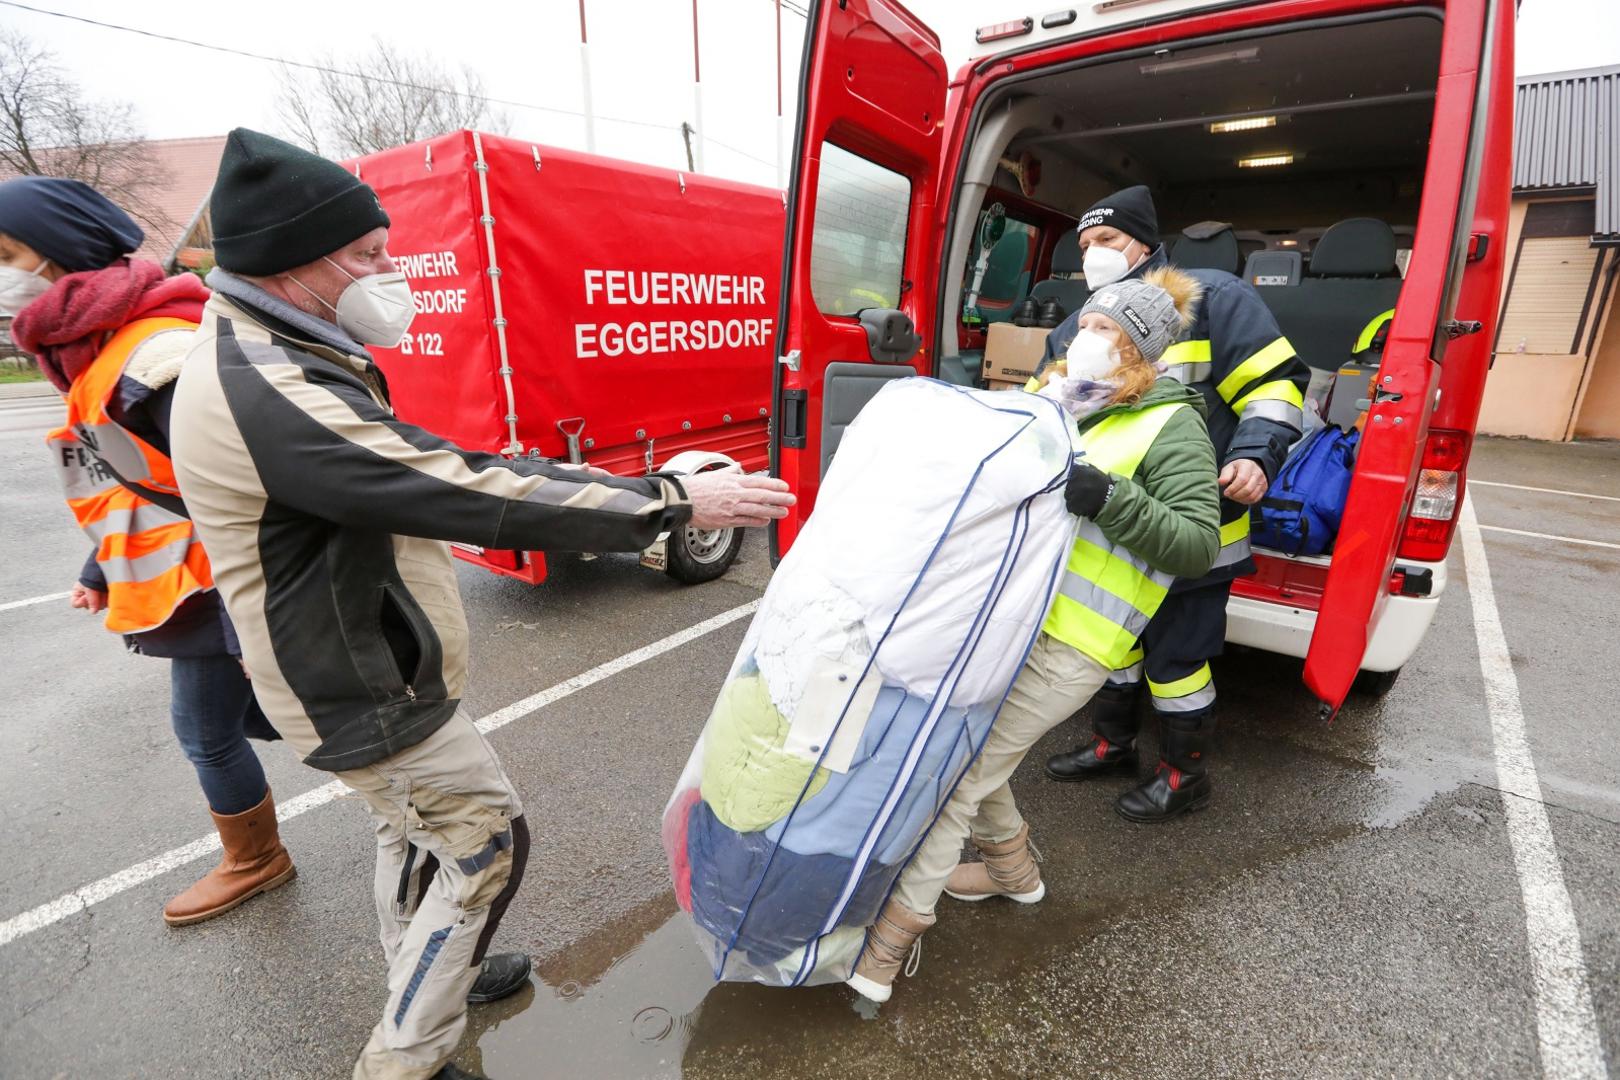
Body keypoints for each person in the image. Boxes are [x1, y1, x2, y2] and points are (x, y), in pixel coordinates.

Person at [167, 129, 795, 1080]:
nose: (392, 271)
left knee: (413, 829)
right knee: (484, 839)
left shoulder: (278, 341)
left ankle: (427, 977)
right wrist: (666, 500)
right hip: (353, 675)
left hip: (354, 653)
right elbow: (462, 485)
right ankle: (406, 1057)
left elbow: (442, 466)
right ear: (299, 262)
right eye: (371, 255)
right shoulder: (270, 383)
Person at [846, 267, 1220, 1003]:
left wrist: (1113, 499)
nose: (1086, 337)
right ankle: (1016, 876)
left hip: (1074, 645)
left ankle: (886, 946)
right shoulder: (1054, 403)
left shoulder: (1172, 423)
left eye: (1105, 329)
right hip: (999, 623)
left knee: (956, 775)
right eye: (1084, 323)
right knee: (973, 757)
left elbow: (1197, 544)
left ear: (1139, 350)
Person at [1, 175, 298, 927]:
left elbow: (247, 490)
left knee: (248, 733)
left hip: (220, 594)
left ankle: (270, 859)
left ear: (57, 255)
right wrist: (98, 566)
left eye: (6, 253)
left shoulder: (149, 351)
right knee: (240, 729)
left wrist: (245, 629)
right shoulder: (91, 348)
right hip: (199, 595)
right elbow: (135, 479)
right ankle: (266, 854)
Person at [1041, 186, 1312, 822]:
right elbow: (1045, 408)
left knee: (1176, 658)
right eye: (1084, 245)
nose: (1095, 255)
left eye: (1107, 240)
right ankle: (1113, 746)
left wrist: (1255, 454)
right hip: (1106, 524)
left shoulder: (1214, 297)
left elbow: (1274, 384)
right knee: (1116, 644)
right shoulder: (1076, 324)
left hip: (1194, 521)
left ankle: (1183, 775)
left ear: (1143, 240)